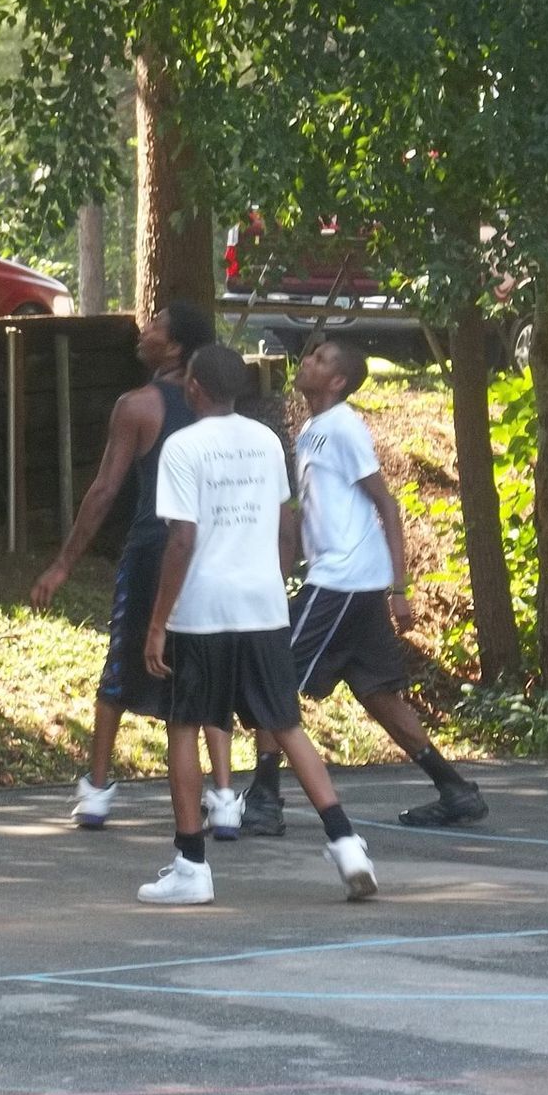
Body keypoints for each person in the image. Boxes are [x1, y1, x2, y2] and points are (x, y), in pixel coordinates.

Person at [141, 342, 377, 905]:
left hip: (203, 610)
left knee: (185, 726)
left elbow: (181, 538)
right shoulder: (268, 440)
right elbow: (285, 526)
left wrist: (157, 622)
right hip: (263, 605)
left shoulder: (182, 446)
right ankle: (346, 845)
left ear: (194, 388)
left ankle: (191, 865)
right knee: (286, 724)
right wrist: (273, 579)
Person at [240, 339, 488, 835]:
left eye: (320, 360)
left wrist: (400, 587)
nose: (307, 361)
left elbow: (387, 504)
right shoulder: (311, 430)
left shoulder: (344, 428)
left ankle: (265, 798)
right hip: (346, 580)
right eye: (310, 356)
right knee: (378, 695)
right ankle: (455, 790)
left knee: (272, 673)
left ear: (337, 382)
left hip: (343, 581)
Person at [30, 302, 240, 838]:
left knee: (121, 670)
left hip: (154, 549)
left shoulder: (139, 405)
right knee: (207, 675)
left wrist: (62, 564)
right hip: (213, 553)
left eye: (154, 326)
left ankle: (97, 791)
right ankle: (223, 798)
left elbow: (104, 491)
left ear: (172, 349)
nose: (142, 331)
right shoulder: (230, 417)